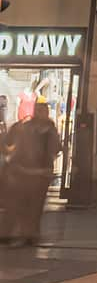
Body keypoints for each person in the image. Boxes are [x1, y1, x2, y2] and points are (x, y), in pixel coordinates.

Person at [0, 102, 61, 246]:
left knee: (29, 206)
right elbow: (56, 149)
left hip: (33, 174)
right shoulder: (29, 127)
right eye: (40, 111)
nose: (42, 114)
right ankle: (25, 234)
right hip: (28, 174)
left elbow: (55, 148)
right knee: (28, 206)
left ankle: (24, 234)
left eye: (43, 111)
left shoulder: (46, 129)